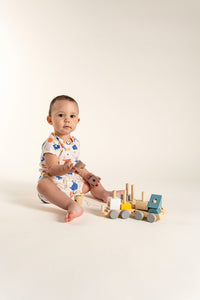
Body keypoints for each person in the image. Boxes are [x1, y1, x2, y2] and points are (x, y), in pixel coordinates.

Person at [37, 95, 123, 222]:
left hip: (71, 186)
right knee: (42, 185)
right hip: (55, 186)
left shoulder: (75, 142)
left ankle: (104, 193)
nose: (67, 120)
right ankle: (70, 205)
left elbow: (77, 165)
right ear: (50, 120)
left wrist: (88, 175)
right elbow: (52, 170)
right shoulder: (51, 143)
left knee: (90, 179)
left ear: (77, 121)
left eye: (72, 116)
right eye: (61, 115)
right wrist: (63, 168)